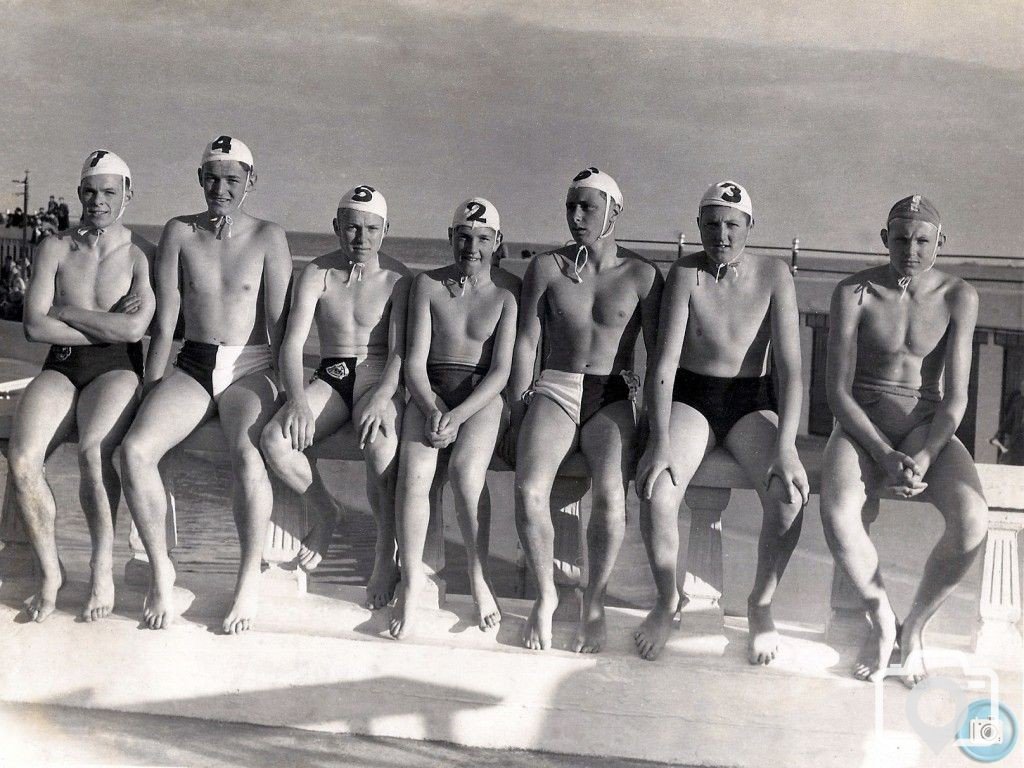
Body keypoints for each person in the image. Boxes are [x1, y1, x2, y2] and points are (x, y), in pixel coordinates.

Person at [120, 136, 292, 634]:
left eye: (232, 180)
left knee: (247, 451)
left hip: (250, 366)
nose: (221, 188)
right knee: (135, 450)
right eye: (212, 178)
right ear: (200, 179)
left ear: (250, 182)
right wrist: (151, 383)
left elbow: (281, 326)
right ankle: (161, 569)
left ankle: (247, 580)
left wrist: (288, 392)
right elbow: (167, 318)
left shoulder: (269, 236)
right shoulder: (178, 231)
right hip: (194, 363)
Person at [633, 181, 808, 664]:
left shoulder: (774, 275)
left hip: (749, 399)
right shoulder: (686, 273)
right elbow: (663, 364)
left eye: (732, 224)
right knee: (659, 489)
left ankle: (760, 605)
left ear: (750, 227)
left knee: (789, 497)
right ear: (698, 227)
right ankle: (668, 600)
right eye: (711, 224)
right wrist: (661, 441)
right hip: (693, 396)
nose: (721, 234)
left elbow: (791, 369)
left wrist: (787, 446)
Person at [820, 195, 987, 686]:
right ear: (884, 239)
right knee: (837, 511)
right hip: (862, 422)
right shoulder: (854, 291)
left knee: (973, 520)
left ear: (940, 242)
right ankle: (881, 617)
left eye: (922, 240)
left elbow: (956, 399)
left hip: (926, 422)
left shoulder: (959, 296)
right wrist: (883, 453)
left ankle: (914, 627)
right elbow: (835, 390)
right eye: (900, 238)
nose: (910, 249)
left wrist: (923, 452)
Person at [506, 168, 662, 652]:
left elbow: (658, 358)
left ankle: (593, 603)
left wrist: (656, 431)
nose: (576, 216)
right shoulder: (547, 269)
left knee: (612, 497)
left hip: (611, 393)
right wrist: (515, 412)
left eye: (587, 207)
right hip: (555, 386)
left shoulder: (642, 275)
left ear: (614, 212)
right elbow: (526, 344)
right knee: (530, 489)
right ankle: (547, 597)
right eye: (571, 206)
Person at [9, 150, 155, 623]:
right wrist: (106, 322)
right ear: (78, 194)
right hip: (62, 365)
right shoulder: (54, 247)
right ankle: (52, 573)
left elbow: (133, 334)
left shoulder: (141, 255)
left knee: (94, 451)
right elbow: (34, 327)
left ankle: (101, 568)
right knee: (22, 458)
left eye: (110, 192)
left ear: (128, 196)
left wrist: (67, 312)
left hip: (115, 368)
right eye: (91, 192)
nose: (98, 201)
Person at [260, 185, 410, 607]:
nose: (361, 239)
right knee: (276, 440)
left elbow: (401, 350)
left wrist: (384, 396)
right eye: (352, 229)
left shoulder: (400, 279)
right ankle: (326, 512)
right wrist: (298, 400)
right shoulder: (316, 273)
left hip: (377, 373)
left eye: (371, 229)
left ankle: (385, 550)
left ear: (385, 231)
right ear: (336, 228)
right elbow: (290, 345)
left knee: (381, 445)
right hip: (333, 374)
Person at [388, 198, 517, 639]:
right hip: (432, 394)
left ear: (497, 242)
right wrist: (431, 408)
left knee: (465, 475)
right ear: (450, 237)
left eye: (483, 238)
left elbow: (501, 371)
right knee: (415, 473)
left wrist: (459, 415)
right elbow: (414, 363)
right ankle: (410, 584)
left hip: (479, 399)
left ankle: (479, 578)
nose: (472, 246)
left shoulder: (506, 294)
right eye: (464, 236)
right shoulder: (427, 286)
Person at [991, 379, 1024, 466]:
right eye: (1022, 386)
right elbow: (1009, 421)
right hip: (1016, 443)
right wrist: (999, 433)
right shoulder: (1018, 402)